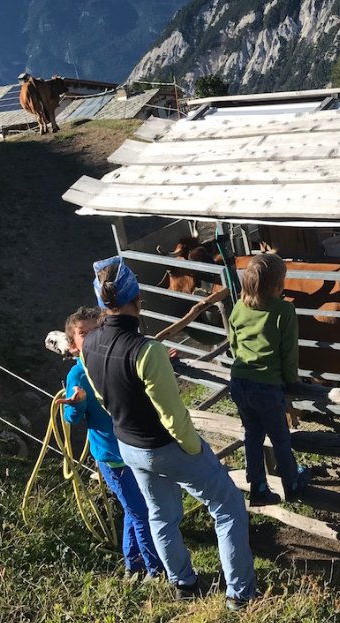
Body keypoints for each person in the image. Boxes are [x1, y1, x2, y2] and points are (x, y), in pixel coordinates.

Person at [79, 257, 257, 612]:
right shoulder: (148, 351)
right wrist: (195, 449)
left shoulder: (89, 344)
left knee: (161, 516)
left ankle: (184, 584)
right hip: (165, 445)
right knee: (227, 506)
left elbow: (102, 395)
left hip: (128, 445)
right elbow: (172, 415)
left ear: (103, 302)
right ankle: (240, 594)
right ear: (137, 298)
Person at [55, 305, 164, 582]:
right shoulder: (77, 375)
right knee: (139, 510)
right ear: (73, 342)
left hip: (132, 448)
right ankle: (154, 570)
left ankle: (134, 566)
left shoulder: (111, 361)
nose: (90, 337)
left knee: (133, 509)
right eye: (83, 333)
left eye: (95, 331)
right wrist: (76, 404)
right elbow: (71, 417)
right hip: (111, 455)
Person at [227, 252, 310, 506]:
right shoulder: (284, 311)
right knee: (280, 438)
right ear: (277, 285)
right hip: (266, 387)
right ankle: (292, 483)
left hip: (239, 382)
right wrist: (291, 380)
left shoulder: (239, 308)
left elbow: (233, 345)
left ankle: (259, 487)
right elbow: (288, 352)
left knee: (252, 435)